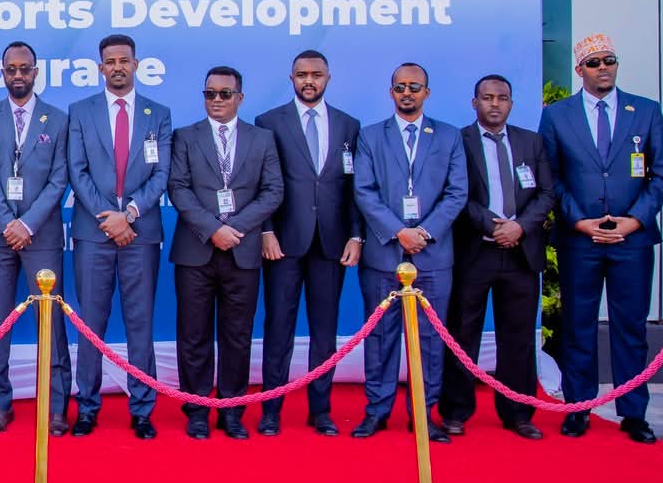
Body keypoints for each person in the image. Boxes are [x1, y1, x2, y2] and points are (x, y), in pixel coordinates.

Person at [537, 34, 663, 442]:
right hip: (580, 240)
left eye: (609, 60)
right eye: (594, 63)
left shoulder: (645, 111)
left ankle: (633, 412)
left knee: (630, 327)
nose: (603, 68)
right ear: (580, 70)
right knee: (578, 326)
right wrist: (579, 222)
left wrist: (635, 220)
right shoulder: (557, 115)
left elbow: (661, 173)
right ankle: (579, 407)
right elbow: (551, 177)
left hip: (632, 240)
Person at [352, 63, 467, 441]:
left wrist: (425, 232)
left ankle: (423, 413)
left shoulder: (449, 137)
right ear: (390, 92)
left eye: (414, 87)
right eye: (399, 86)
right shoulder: (370, 136)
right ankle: (376, 411)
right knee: (380, 338)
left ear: (426, 93)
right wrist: (400, 232)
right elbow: (364, 191)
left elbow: (456, 193)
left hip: (433, 256)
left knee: (432, 343)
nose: (407, 93)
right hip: (385, 254)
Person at [168, 67, 284, 440]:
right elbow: (178, 188)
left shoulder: (262, 138)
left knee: (237, 334)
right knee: (194, 334)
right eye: (210, 93)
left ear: (240, 98)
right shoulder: (185, 137)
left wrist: (236, 228)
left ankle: (232, 409)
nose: (216, 100)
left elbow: (273, 191)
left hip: (242, 249)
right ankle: (198, 409)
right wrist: (212, 228)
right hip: (196, 250)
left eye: (224, 94)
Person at [65, 33, 171, 438]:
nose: (117, 67)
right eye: (110, 62)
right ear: (100, 68)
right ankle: (87, 407)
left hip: (140, 233)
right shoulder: (81, 111)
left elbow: (161, 172)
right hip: (93, 234)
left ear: (136, 64)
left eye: (124, 61)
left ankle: (142, 408)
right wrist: (107, 217)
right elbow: (78, 170)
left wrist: (128, 214)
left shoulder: (157, 114)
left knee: (139, 323)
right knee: (91, 322)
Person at [253, 50, 363, 436]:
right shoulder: (269, 123)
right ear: (292, 77)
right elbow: (260, 182)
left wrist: (355, 234)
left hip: (331, 243)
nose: (309, 81)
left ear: (329, 77)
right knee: (278, 328)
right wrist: (265, 231)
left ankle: (321, 410)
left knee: (324, 331)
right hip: (283, 242)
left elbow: (354, 188)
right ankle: (271, 409)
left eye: (316, 74)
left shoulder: (349, 125)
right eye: (302, 74)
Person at [440, 75, 556, 440]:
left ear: (511, 103)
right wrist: (493, 224)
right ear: (474, 102)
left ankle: (519, 413)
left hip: (521, 252)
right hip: (476, 251)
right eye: (487, 98)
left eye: (502, 98)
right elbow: (455, 194)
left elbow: (547, 193)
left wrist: (519, 227)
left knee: (519, 337)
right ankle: (456, 412)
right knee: (463, 334)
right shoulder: (458, 141)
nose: (495, 104)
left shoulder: (530, 142)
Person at [0, 40, 70, 434]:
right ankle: (0, 405)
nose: (17, 75)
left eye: (24, 68)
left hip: (41, 235)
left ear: (35, 72)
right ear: (2, 73)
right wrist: (7, 223)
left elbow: (59, 178)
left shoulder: (57, 119)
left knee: (52, 324)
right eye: (10, 69)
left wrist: (27, 224)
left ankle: (58, 407)